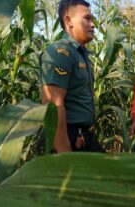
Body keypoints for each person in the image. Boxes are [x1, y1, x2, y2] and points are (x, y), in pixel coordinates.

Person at [40, 0, 103, 153]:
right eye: (87, 18)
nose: (93, 24)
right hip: (68, 137)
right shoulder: (60, 52)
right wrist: (65, 156)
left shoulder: (81, 55)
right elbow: (52, 104)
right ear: (69, 21)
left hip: (84, 137)